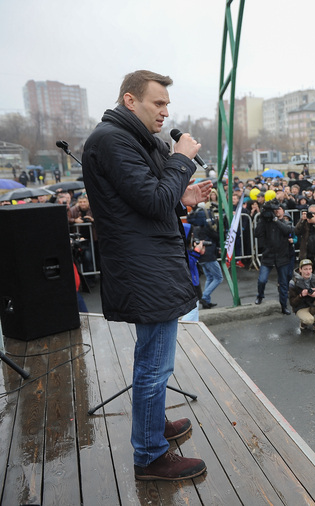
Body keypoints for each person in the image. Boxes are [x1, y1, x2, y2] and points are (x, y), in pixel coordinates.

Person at [82, 70, 211, 481]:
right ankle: (150, 456)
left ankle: (153, 428)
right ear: (130, 100)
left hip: (151, 264)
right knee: (154, 366)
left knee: (154, 362)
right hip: (144, 268)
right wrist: (181, 160)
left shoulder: (131, 140)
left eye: (167, 104)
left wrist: (183, 195)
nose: (165, 111)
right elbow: (154, 200)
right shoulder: (112, 140)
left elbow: (150, 201)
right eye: (158, 103)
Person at [254, 200, 295, 314]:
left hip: (282, 256)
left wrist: (276, 220)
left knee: (283, 283)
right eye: (274, 210)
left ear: (283, 211)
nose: (276, 212)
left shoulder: (285, 222)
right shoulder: (265, 223)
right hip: (268, 256)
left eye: (278, 210)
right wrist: (262, 219)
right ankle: (260, 296)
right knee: (262, 280)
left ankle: (283, 306)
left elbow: (288, 230)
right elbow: (257, 234)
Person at [288, 258, 315, 334]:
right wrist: (301, 295)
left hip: (312, 304)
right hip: (300, 307)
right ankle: (303, 322)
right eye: (305, 269)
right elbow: (292, 302)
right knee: (309, 320)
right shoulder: (293, 282)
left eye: (310, 269)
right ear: (300, 270)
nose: (308, 272)